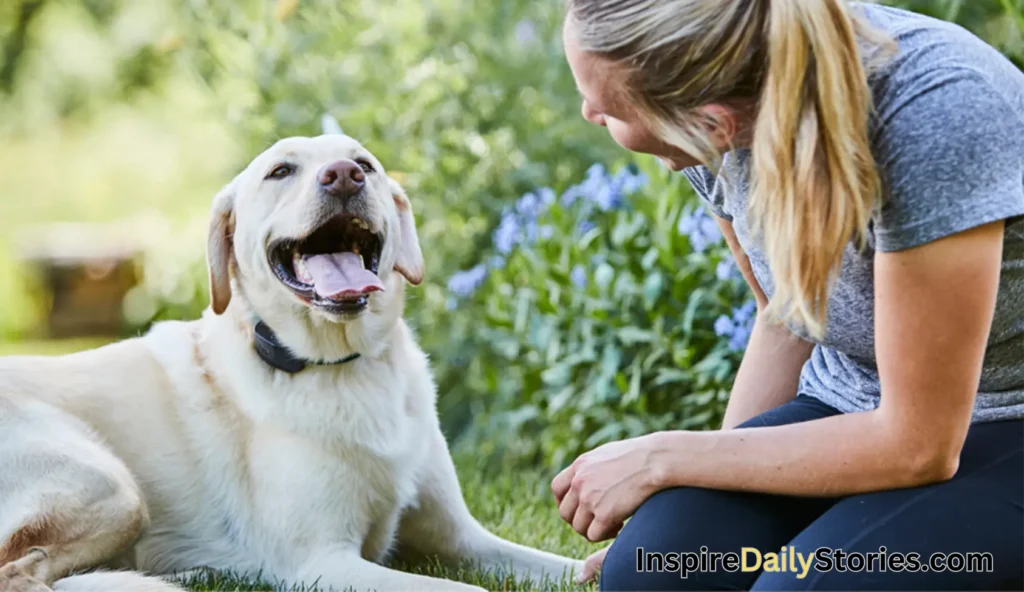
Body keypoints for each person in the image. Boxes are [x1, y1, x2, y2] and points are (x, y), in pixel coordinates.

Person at [552, 0, 1024, 589]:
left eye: (607, 109)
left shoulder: (936, 110)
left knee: (804, 585)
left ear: (711, 119)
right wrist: (687, 505)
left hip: (997, 420)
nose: (588, 111)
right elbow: (786, 317)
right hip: (857, 406)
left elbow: (918, 445)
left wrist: (665, 457)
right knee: (659, 569)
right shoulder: (721, 113)